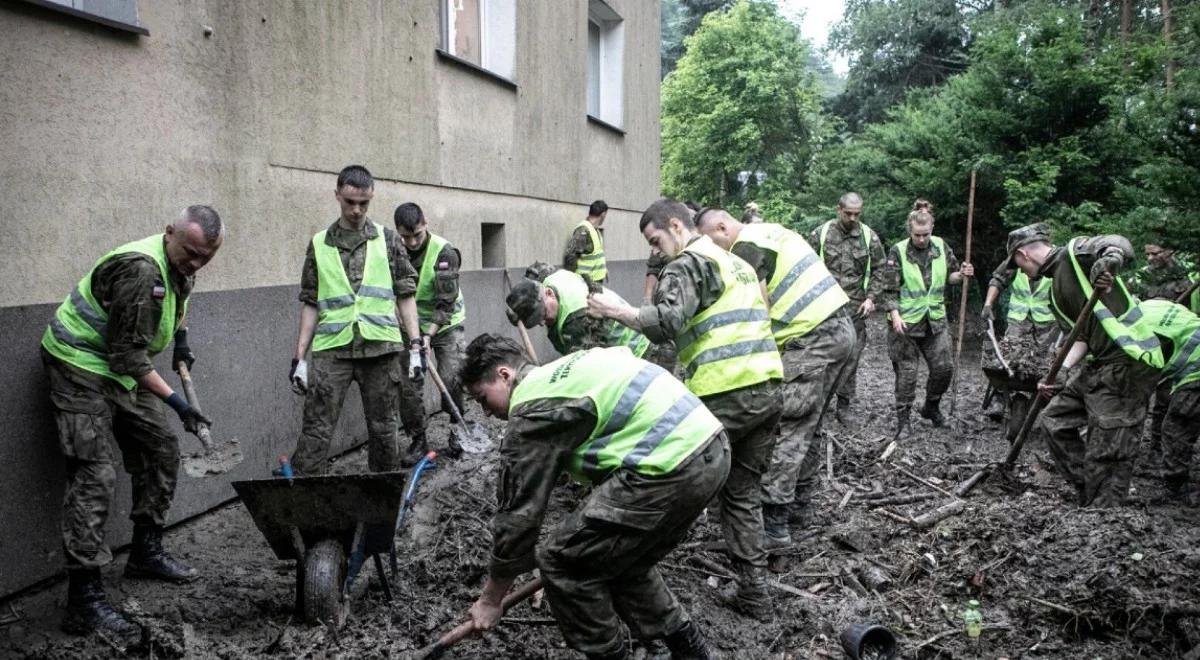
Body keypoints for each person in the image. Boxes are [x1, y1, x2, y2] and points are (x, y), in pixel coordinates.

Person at [460, 335, 726, 660]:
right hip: (710, 447)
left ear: (504, 375)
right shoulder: (565, 372)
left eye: (483, 399)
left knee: (561, 562)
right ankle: (694, 653)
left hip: (668, 464)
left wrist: (490, 600)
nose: (486, 413)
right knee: (623, 561)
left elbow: (518, 517)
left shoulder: (530, 411)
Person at [587, 198, 783, 617]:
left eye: (656, 240)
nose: (656, 251)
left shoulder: (687, 263)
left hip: (725, 394)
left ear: (676, 226)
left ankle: (627, 570)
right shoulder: (733, 261)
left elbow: (666, 324)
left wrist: (616, 310)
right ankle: (756, 594)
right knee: (742, 494)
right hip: (768, 390)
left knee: (668, 479)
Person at [41, 205, 224, 640]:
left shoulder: (183, 264)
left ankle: (145, 551)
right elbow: (128, 356)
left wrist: (181, 343)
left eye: (206, 257)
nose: (196, 263)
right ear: (168, 234)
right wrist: (180, 405)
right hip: (79, 365)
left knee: (161, 448)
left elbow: (177, 305)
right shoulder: (142, 271)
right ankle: (84, 601)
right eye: (191, 253)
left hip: (120, 368)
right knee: (95, 474)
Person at [695, 209, 855, 544]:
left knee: (788, 430)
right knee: (810, 426)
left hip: (810, 338)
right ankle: (799, 509)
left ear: (722, 227)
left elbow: (759, 308)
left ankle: (773, 525)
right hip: (840, 330)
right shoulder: (772, 231)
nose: (719, 254)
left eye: (714, 243)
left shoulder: (746, 245)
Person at [1007, 225, 1164, 507]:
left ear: (1022, 254)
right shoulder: (1054, 291)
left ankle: (1105, 512)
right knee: (1054, 421)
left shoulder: (1074, 254)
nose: (1019, 270)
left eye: (1016, 263)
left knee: (1108, 445)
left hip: (1127, 362)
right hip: (1099, 364)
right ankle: (1089, 488)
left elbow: (1117, 241)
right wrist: (1058, 371)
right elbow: (1079, 337)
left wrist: (1110, 260)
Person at [287, 165, 424, 475]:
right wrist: (299, 358)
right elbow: (310, 301)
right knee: (316, 430)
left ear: (371, 197)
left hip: (381, 351)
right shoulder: (320, 243)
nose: (356, 210)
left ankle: (384, 504)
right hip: (332, 352)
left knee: (385, 431)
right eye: (349, 202)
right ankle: (307, 506)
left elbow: (405, 294)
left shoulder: (388, 241)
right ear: (337, 195)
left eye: (364, 203)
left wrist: (415, 347)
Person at [880, 206, 974, 438]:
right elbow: (888, 289)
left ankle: (931, 407)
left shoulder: (941, 246)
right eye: (917, 235)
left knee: (944, 368)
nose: (921, 239)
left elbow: (951, 276)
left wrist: (962, 275)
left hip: (935, 320)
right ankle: (903, 421)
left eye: (925, 234)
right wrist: (895, 316)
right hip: (905, 325)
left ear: (932, 229)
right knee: (907, 374)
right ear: (910, 231)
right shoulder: (898, 251)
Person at [393, 202, 467, 464]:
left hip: (445, 325)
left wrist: (428, 335)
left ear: (426, 225)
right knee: (408, 385)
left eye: (417, 235)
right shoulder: (393, 250)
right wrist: (411, 331)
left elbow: (446, 302)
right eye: (406, 236)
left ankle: (457, 428)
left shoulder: (444, 253)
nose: (412, 242)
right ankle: (418, 440)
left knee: (451, 376)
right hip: (409, 326)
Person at [810, 192, 886, 423]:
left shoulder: (869, 237)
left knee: (851, 357)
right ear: (838, 210)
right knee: (819, 356)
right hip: (823, 308)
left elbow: (881, 270)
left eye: (857, 214)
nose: (853, 218)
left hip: (855, 308)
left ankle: (844, 404)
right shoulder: (820, 234)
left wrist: (871, 298)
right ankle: (817, 404)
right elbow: (805, 267)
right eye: (848, 213)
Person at [1135, 242, 1198, 462]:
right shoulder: (1142, 277)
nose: (1150, 259)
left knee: (1166, 399)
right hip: (1148, 341)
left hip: (1176, 346)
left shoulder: (1186, 277)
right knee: (1139, 396)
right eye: (1147, 254)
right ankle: (1137, 446)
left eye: (1155, 253)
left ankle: (1157, 447)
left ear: (1169, 251)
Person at [505, 266, 650, 357]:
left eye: (543, 314)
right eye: (537, 322)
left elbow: (583, 370)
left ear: (549, 293)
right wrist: (519, 304)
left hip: (637, 350)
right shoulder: (552, 278)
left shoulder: (576, 320)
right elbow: (537, 270)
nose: (542, 323)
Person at [1135, 299, 1200, 501]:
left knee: (1177, 426)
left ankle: (1175, 487)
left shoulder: (1140, 326)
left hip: (1196, 368)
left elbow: (1154, 363)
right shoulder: (1153, 305)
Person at [562, 200, 609, 285]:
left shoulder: (596, 230)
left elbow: (597, 254)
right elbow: (570, 255)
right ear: (603, 214)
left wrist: (604, 270)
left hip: (594, 281)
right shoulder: (583, 230)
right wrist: (571, 281)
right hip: (585, 284)